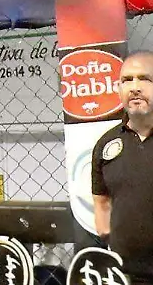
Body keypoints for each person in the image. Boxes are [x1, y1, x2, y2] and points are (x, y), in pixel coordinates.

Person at [91, 50, 153, 285]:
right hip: (123, 275)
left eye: (144, 79)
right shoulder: (106, 145)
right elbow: (101, 202)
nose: (135, 87)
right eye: (127, 80)